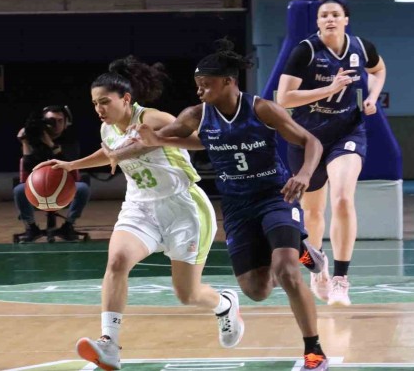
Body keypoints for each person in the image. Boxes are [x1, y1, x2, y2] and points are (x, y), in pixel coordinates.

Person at [35, 56, 244, 371]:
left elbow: (203, 141)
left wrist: (151, 142)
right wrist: (72, 165)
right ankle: (109, 344)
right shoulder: (107, 128)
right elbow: (109, 152)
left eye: (105, 102)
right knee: (117, 261)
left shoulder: (154, 118)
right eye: (95, 104)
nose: (99, 109)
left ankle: (225, 305)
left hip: (183, 207)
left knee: (188, 294)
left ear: (126, 99)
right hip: (139, 207)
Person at [132, 40, 330, 371]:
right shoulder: (196, 115)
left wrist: (305, 174)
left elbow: (311, 141)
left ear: (228, 81)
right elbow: (170, 137)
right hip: (237, 206)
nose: (199, 91)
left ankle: (314, 351)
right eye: (197, 85)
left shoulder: (262, 109)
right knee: (257, 290)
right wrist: (147, 141)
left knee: (286, 271)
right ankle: (298, 248)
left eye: (205, 84)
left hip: (275, 196)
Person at [275, 0, 387, 306]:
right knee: (312, 213)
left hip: (347, 133)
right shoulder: (305, 51)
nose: (330, 19)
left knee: (342, 198)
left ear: (345, 20)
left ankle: (341, 279)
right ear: (318, 22)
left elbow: (378, 69)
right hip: (307, 138)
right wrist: (329, 89)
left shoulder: (361, 47)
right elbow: (284, 98)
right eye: (324, 15)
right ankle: (316, 268)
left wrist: (372, 97)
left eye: (335, 14)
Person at [13, 105, 91, 242]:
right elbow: (28, 168)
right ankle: (31, 227)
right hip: (38, 186)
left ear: (66, 123)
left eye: (60, 121)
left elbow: (70, 164)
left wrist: (50, 144)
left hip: (64, 186)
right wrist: (25, 142)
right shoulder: (35, 141)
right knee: (19, 189)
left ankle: (68, 226)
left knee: (83, 188)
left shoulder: (70, 141)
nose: (56, 125)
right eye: (51, 121)